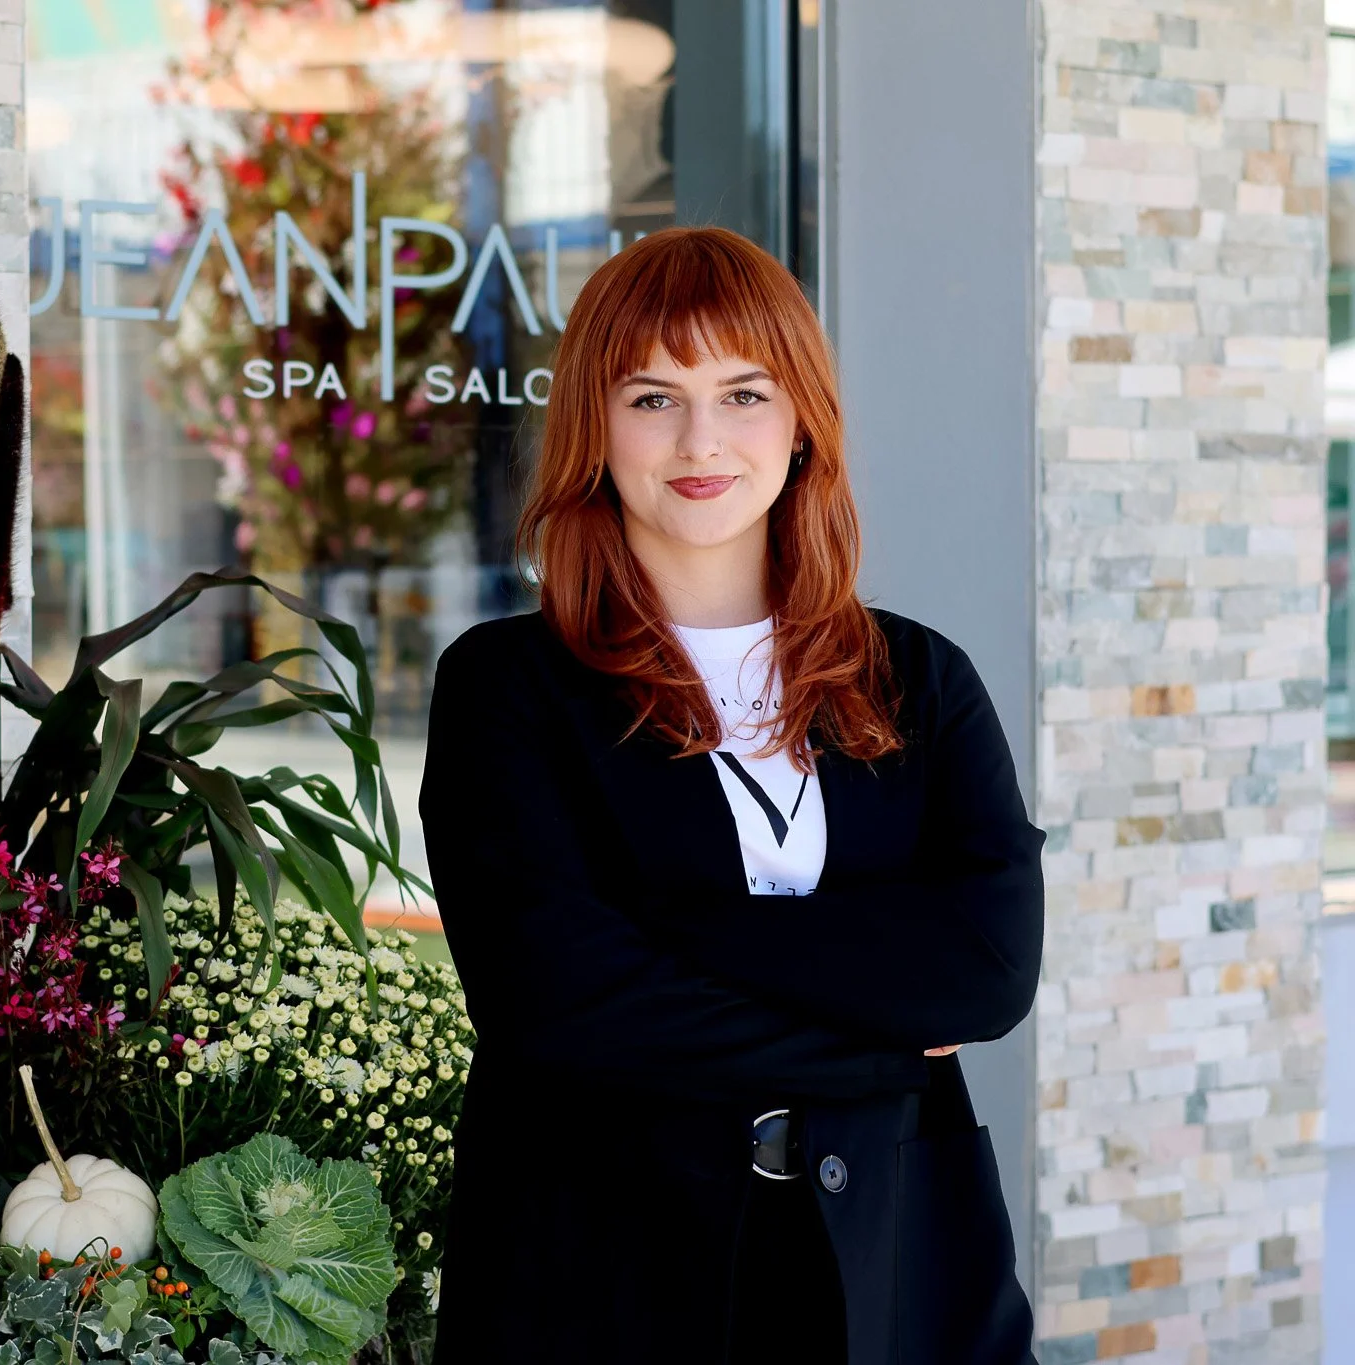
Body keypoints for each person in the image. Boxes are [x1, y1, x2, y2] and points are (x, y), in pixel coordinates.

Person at [417, 226, 1044, 1365]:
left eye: (743, 394)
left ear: (801, 422)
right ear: (594, 427)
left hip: (896, 1268)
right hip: (604, 1280)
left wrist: (674, 928)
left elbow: (988, 969)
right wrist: (891, 1042)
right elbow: (556, 1008)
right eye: (652, 398)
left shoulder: (917, 677)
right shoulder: (506, 686)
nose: (699, 440)